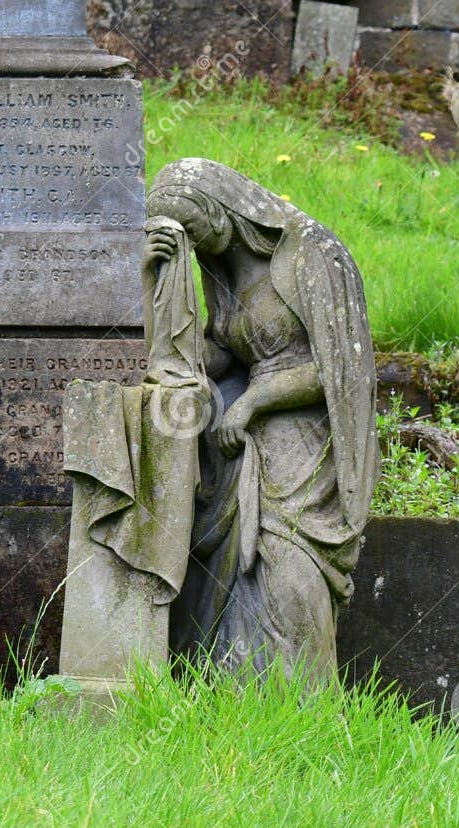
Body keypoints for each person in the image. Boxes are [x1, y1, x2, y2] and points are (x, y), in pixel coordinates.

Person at [142, 158, 379, 682]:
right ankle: (235, 690)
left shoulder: (314, 254)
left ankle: (303, 698)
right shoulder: (223, 270)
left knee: (284, 556)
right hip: (242, 435)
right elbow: (218, 354)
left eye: (199, 235)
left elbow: (341, 371)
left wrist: (254, 402)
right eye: (191, 246)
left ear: (223, 210)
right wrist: (158, 283)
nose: (201, 251)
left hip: (306, 431)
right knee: (228, 564)